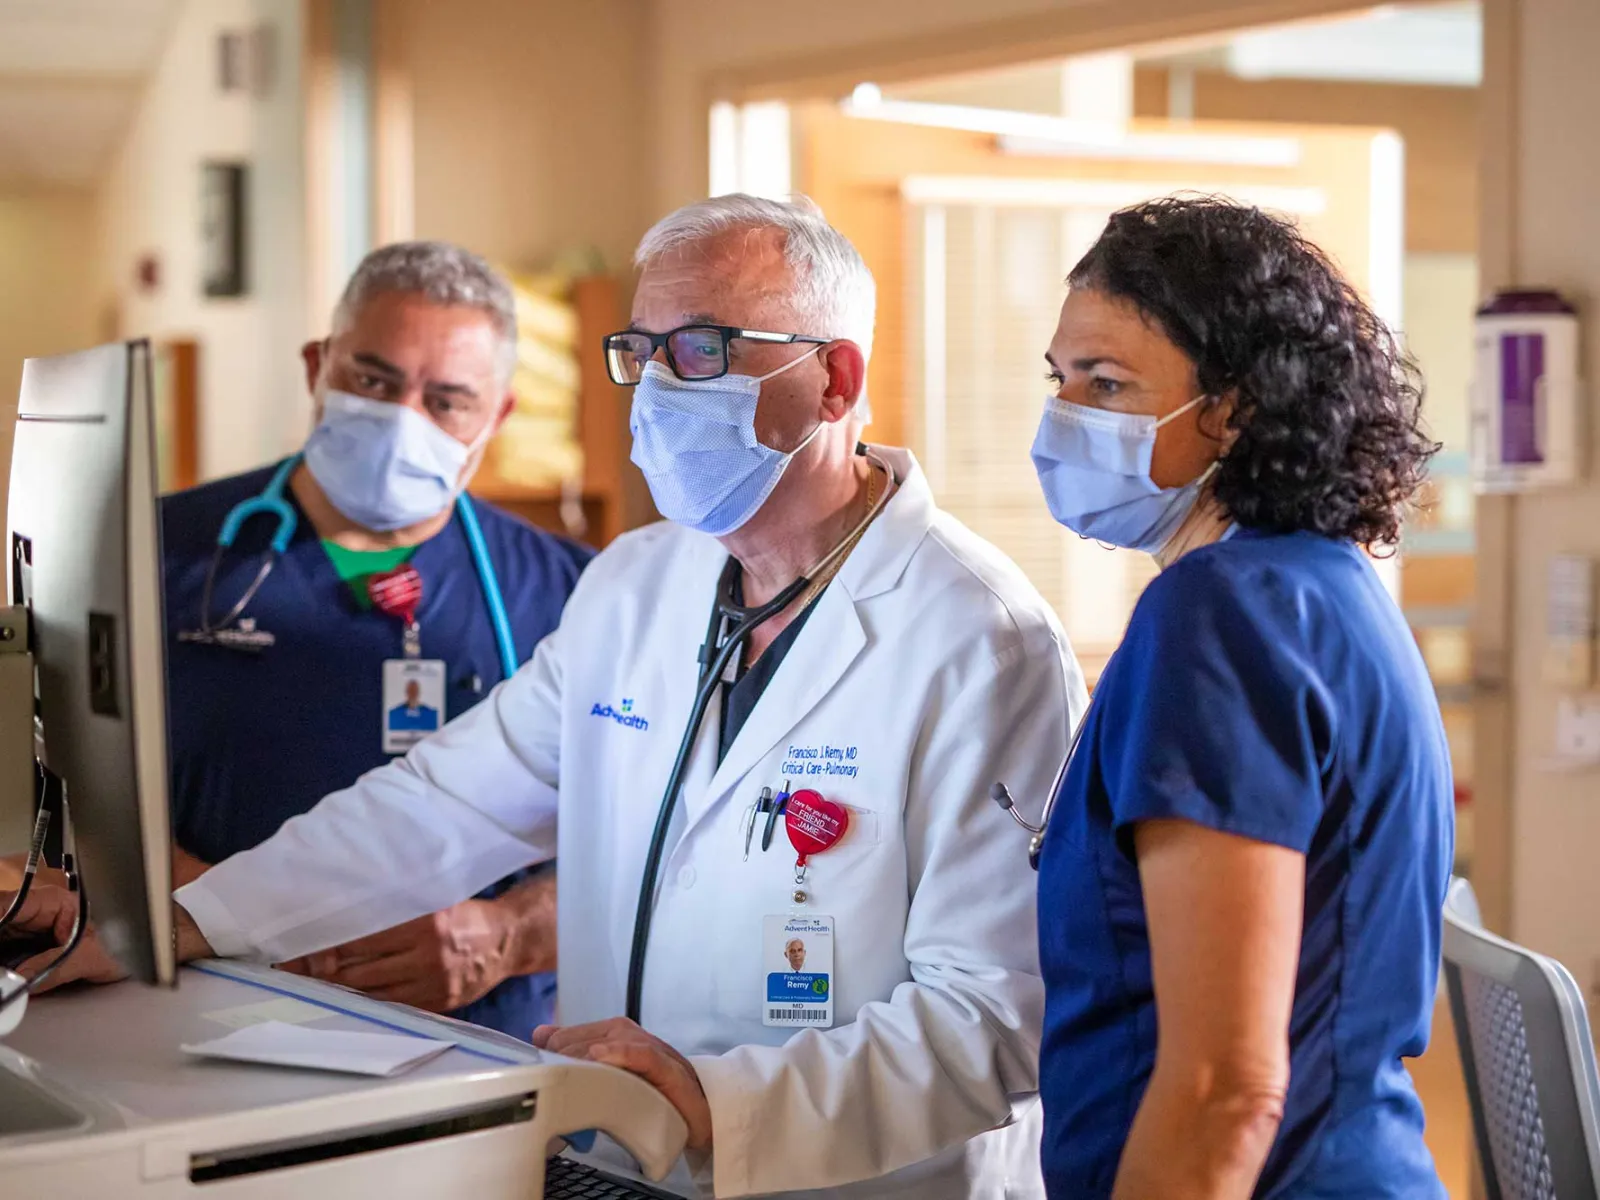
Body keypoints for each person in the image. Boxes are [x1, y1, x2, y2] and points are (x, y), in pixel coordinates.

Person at [15, 195, 1085, 1198]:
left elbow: (994, 1016)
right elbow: (443, 803)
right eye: (642, 352)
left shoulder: (979, 642)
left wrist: (719, 1102)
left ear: (835, 381)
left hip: (851, 1178)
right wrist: (183, 922)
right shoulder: (638, 583)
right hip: (618, 1157)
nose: (657, 389)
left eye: (701, 351)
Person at [1025, 197, 1452, 1198]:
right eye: (1060, 379)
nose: (1065, 415)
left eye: (1107, 382)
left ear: (1233, 408)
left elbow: (1225, 1089)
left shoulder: (1219, 615)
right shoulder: (1317, 585)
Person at [160, 241, 591, 1038]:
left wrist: (509, 936)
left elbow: (651, 838)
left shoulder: (577, 591)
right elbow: (66, 787)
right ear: (316, 366)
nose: (403, 422)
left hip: (484, 1045)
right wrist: (215, 913)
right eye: (373, 381)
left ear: (497, 417)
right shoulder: (160, 552)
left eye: (447, 401)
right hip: (212, 1017)